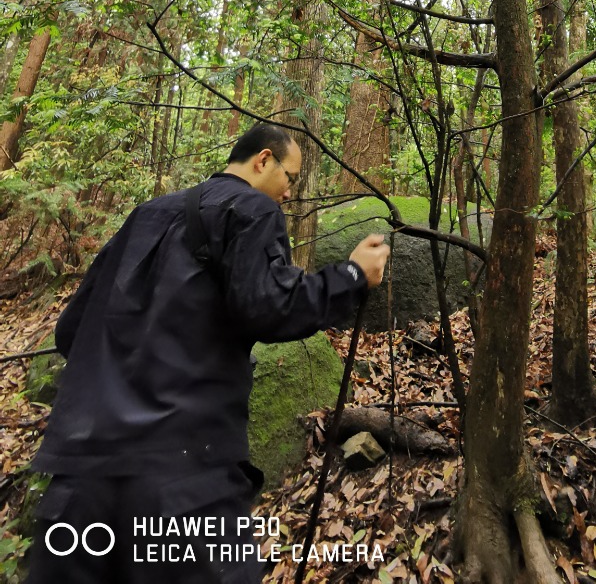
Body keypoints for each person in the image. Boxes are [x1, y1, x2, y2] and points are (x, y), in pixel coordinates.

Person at [26, 122, 390, 583]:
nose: (289, 193)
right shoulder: (252, 209)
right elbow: (270, 306)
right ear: (263, 160)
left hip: (77, 486)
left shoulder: (146, 214)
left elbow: (70, 331)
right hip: (183, 482)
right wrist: (352, 277)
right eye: (291, 178)